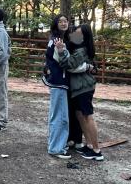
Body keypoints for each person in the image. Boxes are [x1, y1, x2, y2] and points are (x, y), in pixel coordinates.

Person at [55, 24, 104, 161]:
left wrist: (60, 50)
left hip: (84, 87)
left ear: (84, 37)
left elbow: (67, 65)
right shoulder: (78, 48)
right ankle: (89, 145)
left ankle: (96, 150)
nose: (74, 36)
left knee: (88, 116)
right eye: (74, 34)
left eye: (78, 34)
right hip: (79, 87)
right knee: (80, 115)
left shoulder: (81, 50)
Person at [43, 14, 72, 159]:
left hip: (59, 81)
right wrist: (62, 51)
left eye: (65, 21)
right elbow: (62, 62)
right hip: (58, 81)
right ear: (55, 24)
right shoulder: (57, 40)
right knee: (59, 116)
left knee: (61, 115)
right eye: (60, 21)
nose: (63, 23)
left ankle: (58, 144)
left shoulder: (57, 38)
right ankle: (55, 148)